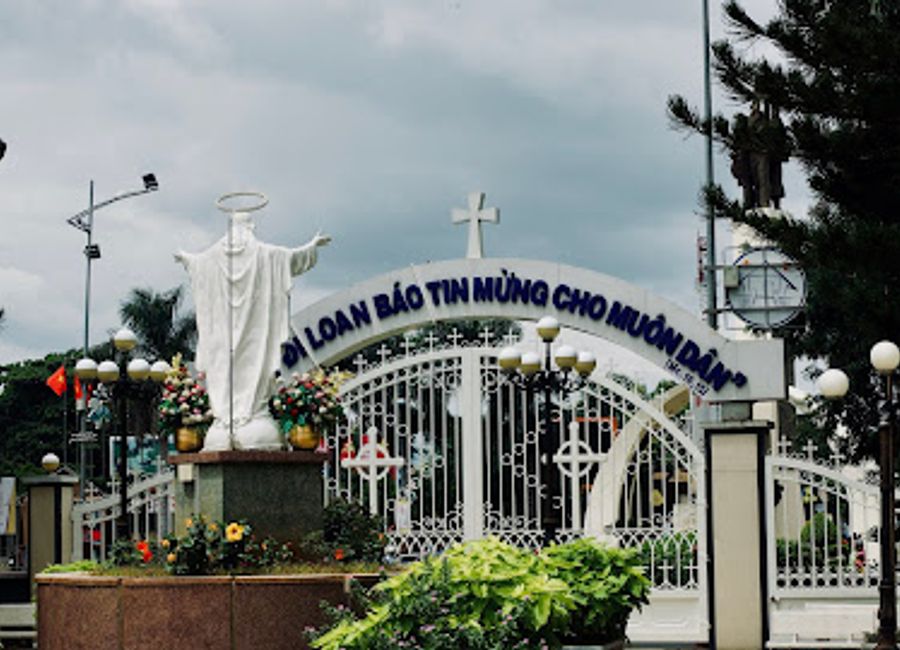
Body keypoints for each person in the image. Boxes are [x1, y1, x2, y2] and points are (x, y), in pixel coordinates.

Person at [175, 209, 330, 451]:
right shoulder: (264, 255)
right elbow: (291, 258)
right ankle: (234, 420)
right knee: (241, 364)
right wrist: (311, 246)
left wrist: (186, 258)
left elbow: (197, 263)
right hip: (246, 333)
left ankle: (237, 420)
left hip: (247, 332)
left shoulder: (220, 257)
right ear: (250, 227)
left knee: (240, 365)